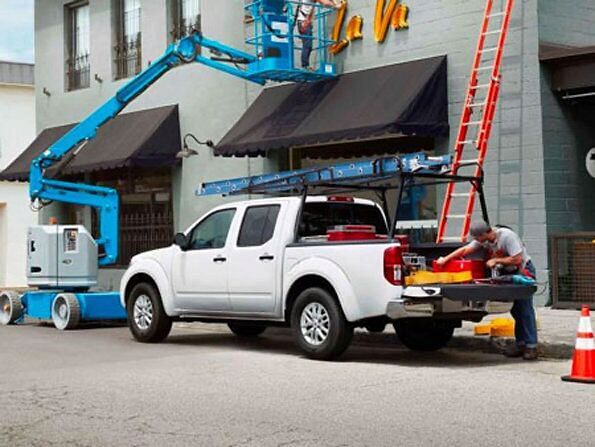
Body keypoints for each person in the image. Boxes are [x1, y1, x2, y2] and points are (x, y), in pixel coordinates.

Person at [436, 221, 539, 360]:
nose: (477, 241)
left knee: (525, 308)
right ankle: (521, 344)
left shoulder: (507, 236)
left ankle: (531, 346)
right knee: (516, 310)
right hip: (509, 272)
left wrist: (496, 260)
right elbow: (466, 250)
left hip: (522, 271)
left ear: (486, 233)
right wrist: (445, 259)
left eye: (478, 237)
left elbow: (517, 259)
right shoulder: (484, 240)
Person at [296, 0, 341, 69]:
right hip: (304, 23)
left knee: (308, 46)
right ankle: (305, 66)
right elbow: (324, 2)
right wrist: (336, 5)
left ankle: (305, 65)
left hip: (305, 23)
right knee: (307, 45)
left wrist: (334, 2)